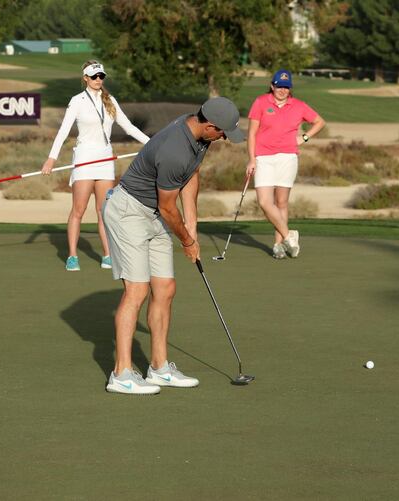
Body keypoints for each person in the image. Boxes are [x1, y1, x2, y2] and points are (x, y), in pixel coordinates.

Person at [101, 97, 245, 395]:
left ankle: (159, 367)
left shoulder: (199, 136)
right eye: (223, 133)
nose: (224, 139)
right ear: (210, 125)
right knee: (137, 290)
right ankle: (122, 373)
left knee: (165, 288)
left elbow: (191, 174)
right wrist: (187, 241)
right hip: (129, 212)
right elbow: (168, 208)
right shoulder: (174, 150)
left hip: (152, 214)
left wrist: (192, 222)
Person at [41, 60, 150, 271]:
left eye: (101, 76)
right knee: (79, 210)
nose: (98, 80)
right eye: (94, 77)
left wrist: (151, 142)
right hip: (84, 158)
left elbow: (128, 127)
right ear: (85, 79)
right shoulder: (77, 101)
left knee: (104, 211)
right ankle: (72, 256)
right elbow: (63, 131)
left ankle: (108, 255)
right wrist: (51, 158)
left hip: (105, 159)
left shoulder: (110, 100)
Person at [245, 69, 325, 259]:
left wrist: (304, 137)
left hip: (287, 158)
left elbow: (319, 122)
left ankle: (278, 245)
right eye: (279, 86)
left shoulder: (298, 105)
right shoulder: (261, 102)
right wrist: (251, 158)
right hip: (263, 156)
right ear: (272, 86)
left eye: (286, 87)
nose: (282, 90)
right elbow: (251, 134)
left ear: (290, 89)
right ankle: (290, 235)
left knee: (281, 202)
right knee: (265, 202)